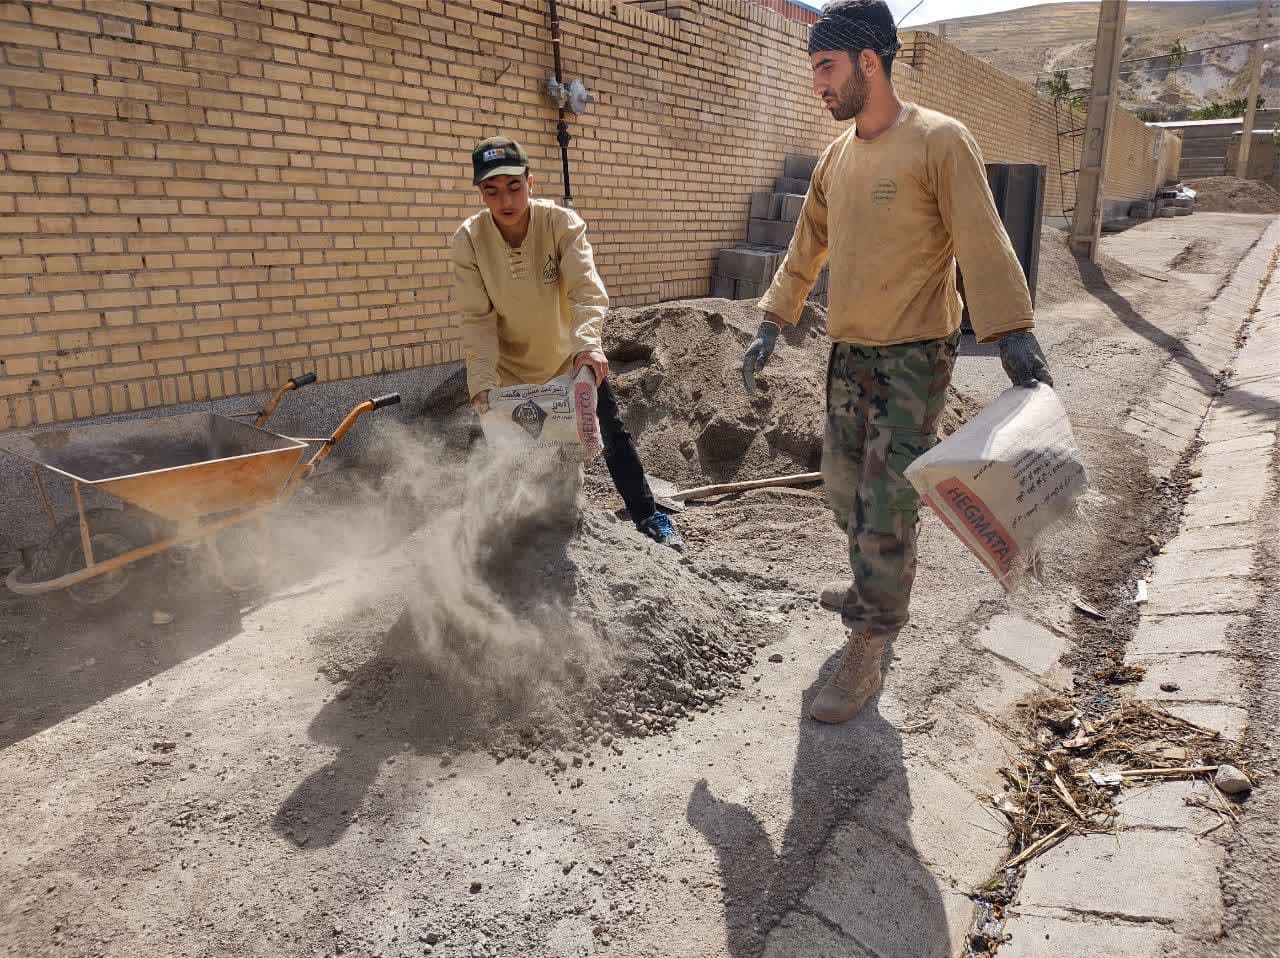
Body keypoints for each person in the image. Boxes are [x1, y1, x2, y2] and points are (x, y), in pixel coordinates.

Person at [741, 0, 1053, 724]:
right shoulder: (837, 158)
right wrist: (770, 321)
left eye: (826, 67)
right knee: (845, 491)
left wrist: (1010, 331)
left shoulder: (940, 141)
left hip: (915, 357)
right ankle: (868, 587)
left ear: (869, 63)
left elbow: (981, 236)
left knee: (886, 503)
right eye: (814, 68)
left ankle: (870, 642)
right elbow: (804, 248)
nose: (817, 83)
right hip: (848, 352)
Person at [451, 135, 683, 550]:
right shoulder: (468, 240)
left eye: (514, 187)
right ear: (480, 193)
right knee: (489, 449)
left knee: (611, 433)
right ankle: (478, 537)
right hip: (507, 367)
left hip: (567, 357)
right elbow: (477, 319)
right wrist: (483, 382)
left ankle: (648, 514)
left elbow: (585, 293)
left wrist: (587, 346)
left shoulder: (561, 224)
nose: (505, 200)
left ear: (531, 182)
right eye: (491, 191)